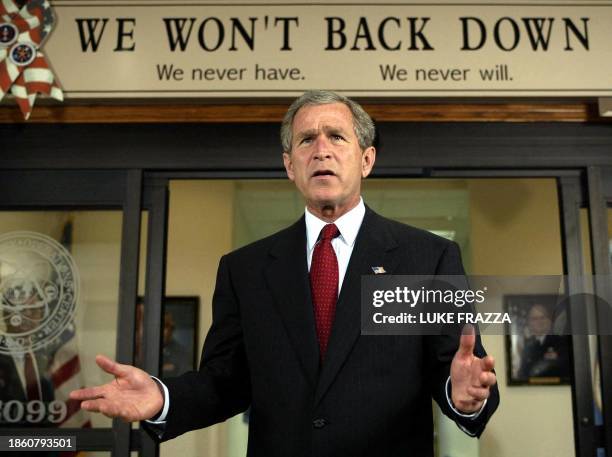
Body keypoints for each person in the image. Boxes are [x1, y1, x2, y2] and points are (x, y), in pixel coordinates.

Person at [70, 90, 499, 457]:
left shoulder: (429, 259)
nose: (321, 149)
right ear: (290, 165)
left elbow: (459, 369)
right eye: (306, 140)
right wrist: (164, 398)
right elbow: (225, 382)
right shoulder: (245, 269)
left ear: (366, 159)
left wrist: (463, 398)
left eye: (336, 136)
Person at [517, 303, 570, 380]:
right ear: (529, 323)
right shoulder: (527, 346)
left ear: (549, 321)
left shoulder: (561, 342)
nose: (539, 322)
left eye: (542, 318)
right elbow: (522, 374)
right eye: (535, 319)